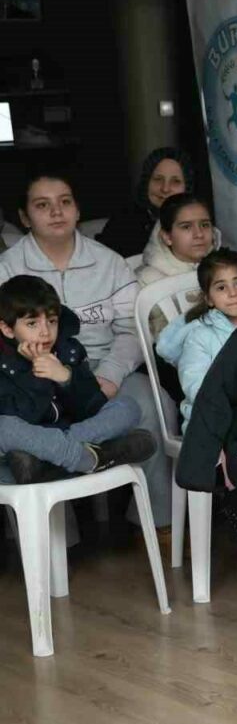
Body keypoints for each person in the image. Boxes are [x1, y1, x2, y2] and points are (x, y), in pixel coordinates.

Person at [0, 173, 172, 536]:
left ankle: (159, 523)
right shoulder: (7, 268)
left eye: (65, 202)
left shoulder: (109, 263)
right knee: (17, 423)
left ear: (78, 210)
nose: (56, 211)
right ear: (25, 217)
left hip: (102, 367)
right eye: (42, 205)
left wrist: (109, 374)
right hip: (30, 373)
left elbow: (131, 330)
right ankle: (54, 542)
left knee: (154, 404)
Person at [0, 275, 155, 484]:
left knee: (128, 407)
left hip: (70, 433)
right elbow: (22, 418)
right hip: (28, 439)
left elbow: (93, 407)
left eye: (52, 321)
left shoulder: (68, 349)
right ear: (7, 329)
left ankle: (55, 461)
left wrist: (66, 377)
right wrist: (38, 377)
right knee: (4, 427)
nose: (45, 332)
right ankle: (94, 457)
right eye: (32, 324)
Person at [155, 249, 237, 431]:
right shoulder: (199, 337)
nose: (232, 293)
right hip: (210, 421)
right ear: (209, 299)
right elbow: (196, 387)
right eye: (221, 287)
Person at [136, 193, 221, 337]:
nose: (199, 234)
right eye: (186, 227)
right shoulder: (146, 280)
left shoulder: (226, 268)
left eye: (205, 225)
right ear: (167, 237)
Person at [97, 147, 196, 258]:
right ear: (146, 182)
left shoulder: (198, 226)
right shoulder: (122, 224)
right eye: (158, 179)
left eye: (175, 181)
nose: (165, 189)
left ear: (187, 187)